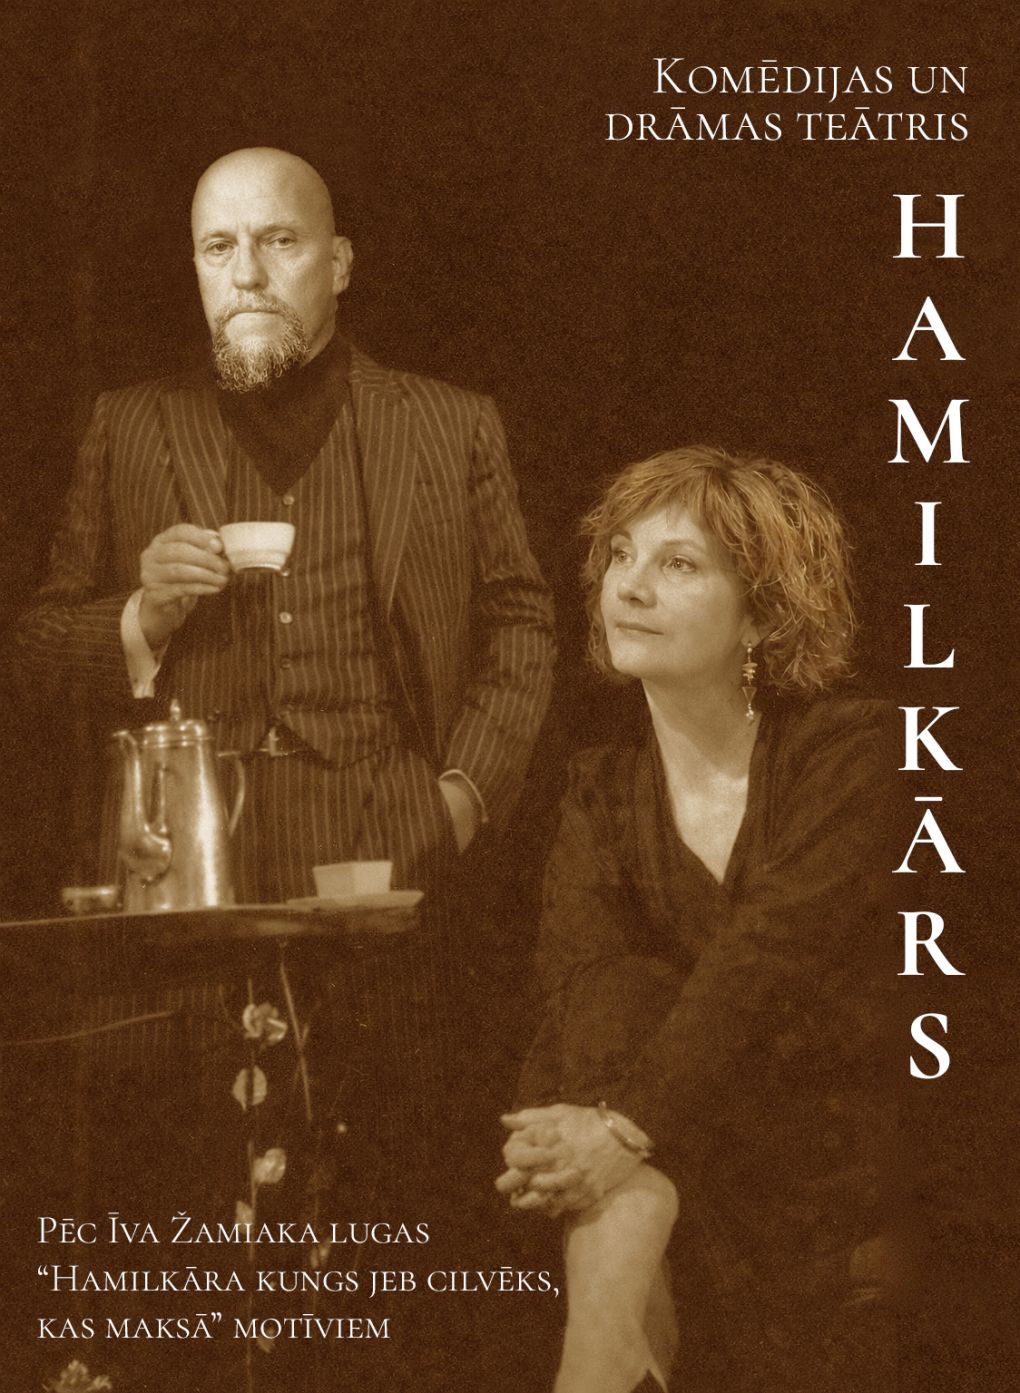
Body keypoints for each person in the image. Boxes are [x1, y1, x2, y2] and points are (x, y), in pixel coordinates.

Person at [15, 147, 555, 1172]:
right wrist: (142, 615)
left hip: (387, 858)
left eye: (279, 241)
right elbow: (37, 650)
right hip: (186, 879)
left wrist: (461, 797)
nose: (247, 273)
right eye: (218, 247)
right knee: (192, 1177)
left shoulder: (449, 424)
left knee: (377, 1167)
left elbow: (521, 621)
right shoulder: (127, 424)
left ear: (338, 263)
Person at [497, 447, 900, 1393]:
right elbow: (578, 992)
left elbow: (768, 959)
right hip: (685, 1160)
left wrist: (622, 1130)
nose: (630, 586)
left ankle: (603, 1363)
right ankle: (605, 1356)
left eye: (678, 563)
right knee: (610, 992)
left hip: (829, 1156)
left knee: (628, 1016)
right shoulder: (600, 788)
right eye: (621, 555)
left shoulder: (854, 750)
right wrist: (593, 1131)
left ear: (762, 613)